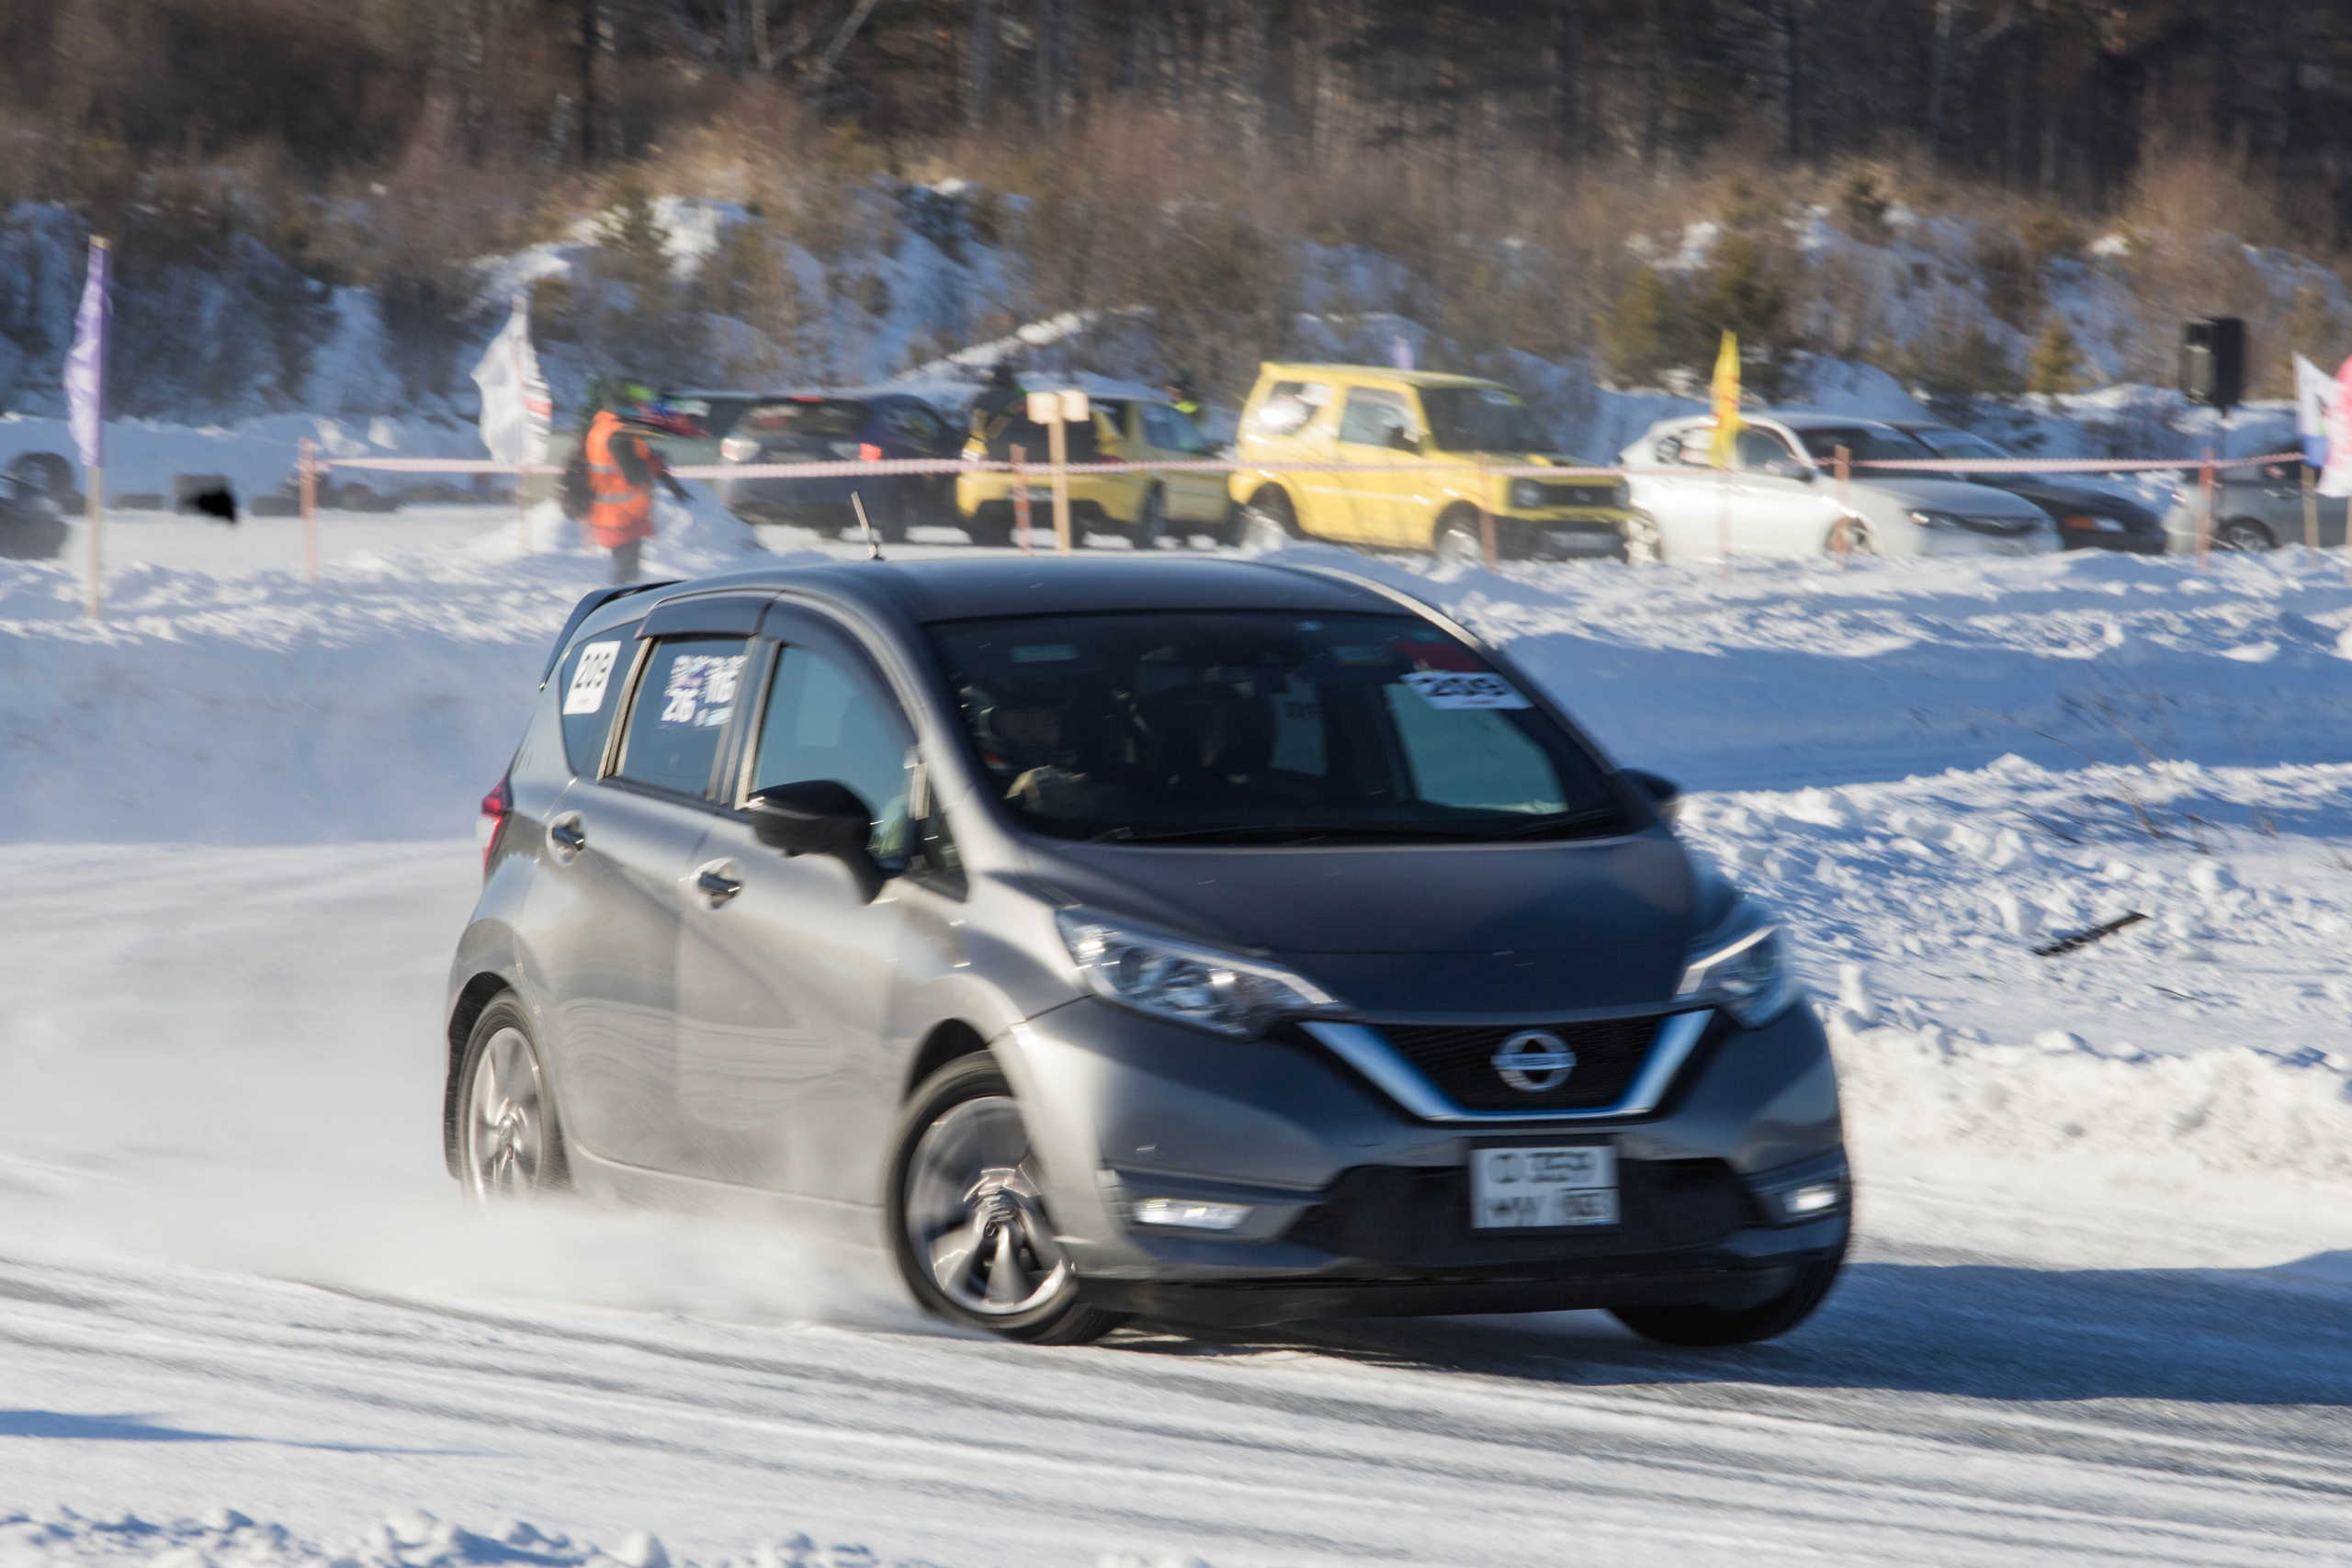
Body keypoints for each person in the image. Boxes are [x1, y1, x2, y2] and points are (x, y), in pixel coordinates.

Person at [581, 380, 678, 582]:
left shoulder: (605, 425)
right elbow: (633, 473)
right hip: (622, 515)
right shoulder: (618, 432)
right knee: (626, 577)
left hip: (613, 513)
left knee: (626, 573)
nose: (638, 407)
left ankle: (617, 606)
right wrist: (656, 463)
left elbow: (627, 460)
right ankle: (615, 609)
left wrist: (652, 461)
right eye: (633, 403)